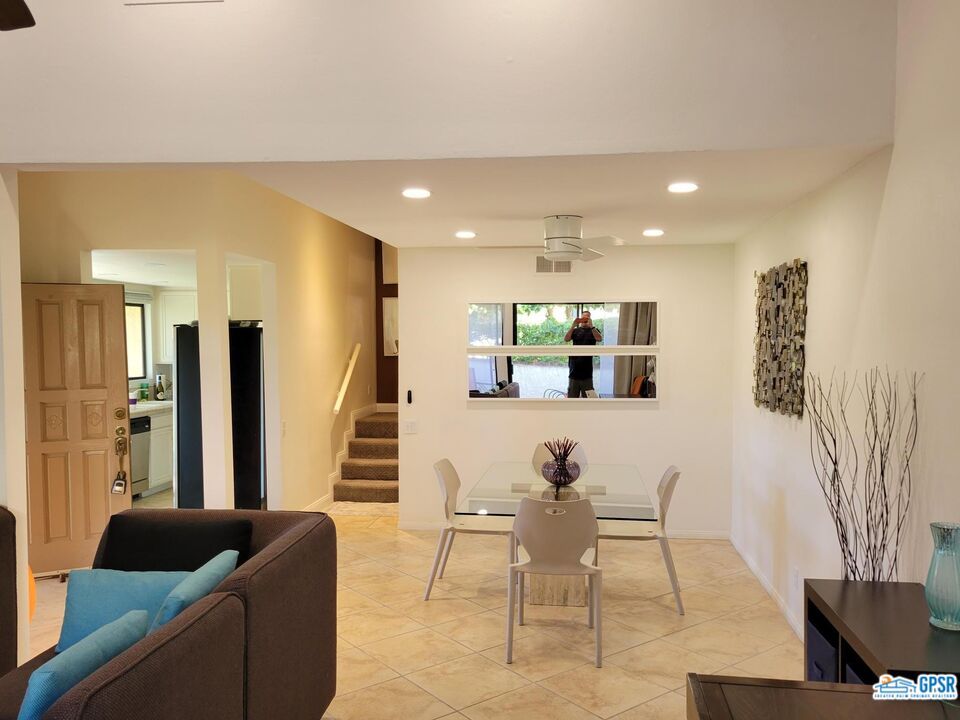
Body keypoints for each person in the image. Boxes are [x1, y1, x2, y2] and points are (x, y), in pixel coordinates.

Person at [564, 310, 601, 397]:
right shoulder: (576, 330)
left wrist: (592, 326)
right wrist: (573, 325)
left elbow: (599, 339)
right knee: (572, 398)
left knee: (589, 399)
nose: (585, 320)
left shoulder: (594, 330)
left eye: (587, 317)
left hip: (587, 371)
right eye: (583, 317)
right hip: (574, 370)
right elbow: (566, 339)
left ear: (590, 319)